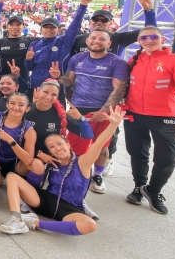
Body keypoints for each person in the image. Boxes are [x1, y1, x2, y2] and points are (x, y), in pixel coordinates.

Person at [0, 106, 125, 235]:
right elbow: (29, 167)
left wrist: (113, 125)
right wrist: (39, 155)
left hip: (69, 208)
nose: (57, 149)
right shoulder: (51, 163)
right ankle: (16, 219)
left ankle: (36, 224)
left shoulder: (82, 162)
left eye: (60, 144)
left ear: (68, 144)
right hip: (45, 201)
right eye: (52, 147)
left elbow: (98, 144)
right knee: (12, 177)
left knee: (90, 225)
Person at [124, 26, 175, 214]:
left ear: (163, 39)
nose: (149, 40)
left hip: (165, 116)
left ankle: (153, 191)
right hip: (134, 114)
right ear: (139, 41)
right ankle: (139, 187)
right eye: (143, 38)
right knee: (137, 153)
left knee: (167, 160)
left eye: (153, 37)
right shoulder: (133, 60)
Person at [51, 28, 129, 195]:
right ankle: (71, 173)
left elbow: (120, 90)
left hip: (104, 110)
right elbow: (69, 81)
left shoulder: (117, 62)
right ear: (87, 41)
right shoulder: (77, 58)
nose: (96, 41)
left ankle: (97, 175)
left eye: (102, 39)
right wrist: (58, 77)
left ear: (109, 43)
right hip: (79, 109)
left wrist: (104, 111)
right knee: (73, 145)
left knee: (101, 146)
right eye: (93, 38)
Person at [25, 0, 91, 102]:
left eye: (52, 27)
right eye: (46, 27)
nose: (49, 30)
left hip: (55, 88)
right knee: (33, 117)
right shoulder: (34, 44)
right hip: (36, 87)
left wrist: (83, 5)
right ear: (41, 29)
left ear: (59, 30)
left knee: (56, 118)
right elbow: (29, 68)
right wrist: (28, 60)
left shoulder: (64, 42)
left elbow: (75, 26)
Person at [0, 93, 36, 199]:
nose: (16, 107)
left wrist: (10, 140)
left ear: (27, 108)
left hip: (16, 164)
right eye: (13, 103)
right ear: (7, 105)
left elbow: (28, 160)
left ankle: (24, 181)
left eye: (21, 105)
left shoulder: (29, 130)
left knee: (34, 164)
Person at [0, 15, 35, 93]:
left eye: (18, 25)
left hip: (22, 82)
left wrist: (41, 23)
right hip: (4, 82)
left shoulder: (30, 41)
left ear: (23, 26)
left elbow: (51, 40)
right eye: (12, 24)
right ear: (7, 26)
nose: (15, 27)